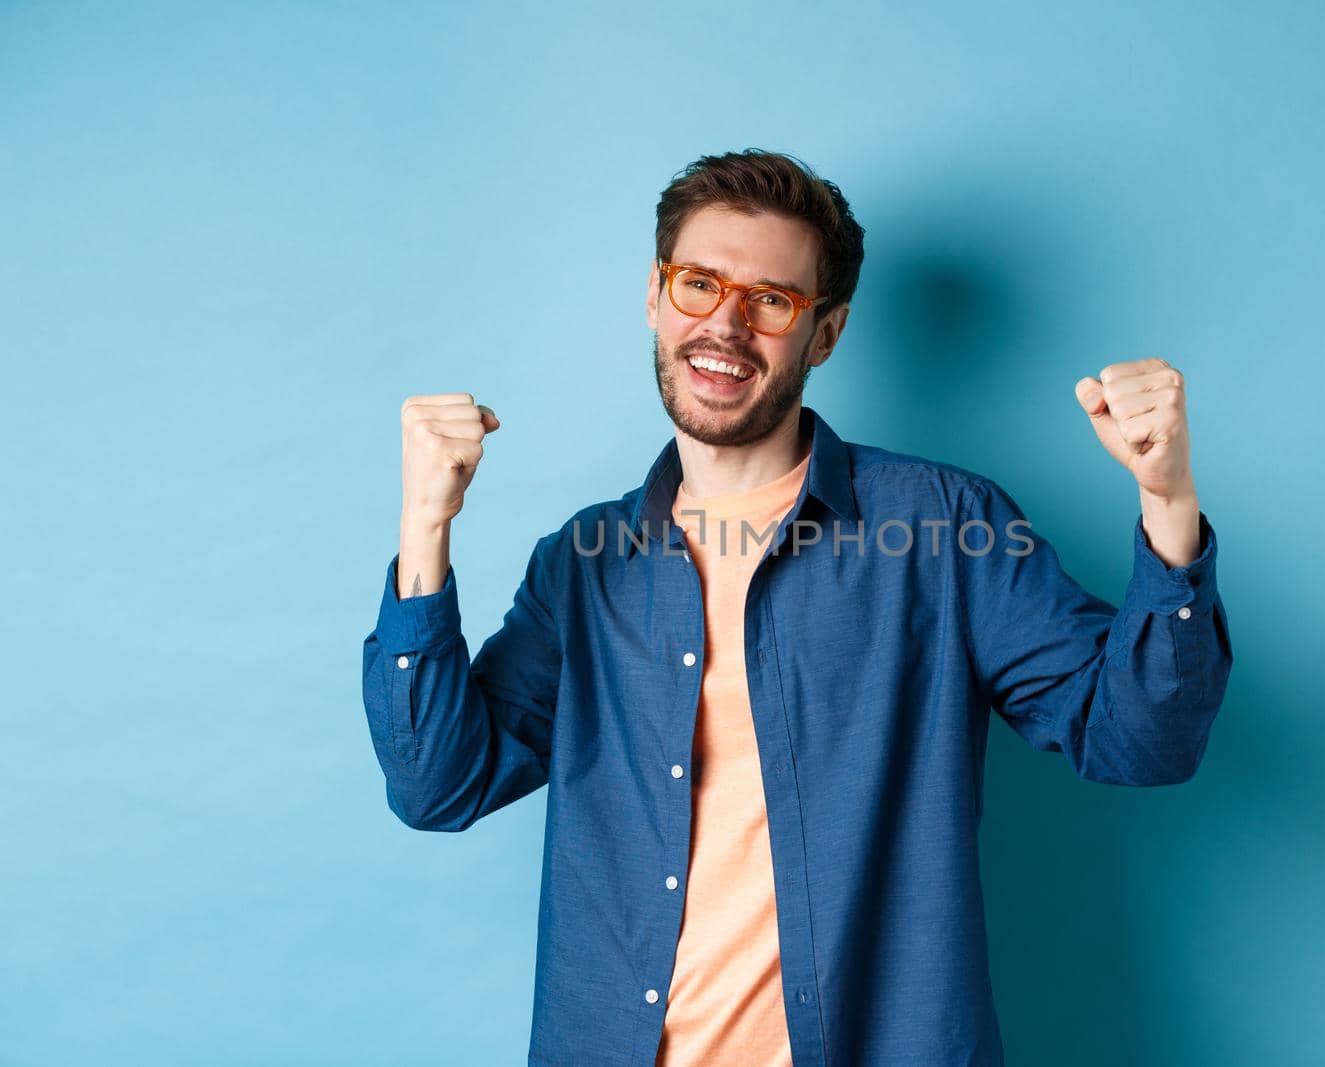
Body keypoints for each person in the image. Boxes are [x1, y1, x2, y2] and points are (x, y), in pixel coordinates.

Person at [361, 148, 1233, 1067]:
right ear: (655, 298)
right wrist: (426, 526)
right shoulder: (583, 565)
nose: (726, 326)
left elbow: (1140, 741)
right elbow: (438, 784)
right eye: (699, 283)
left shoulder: (946, 529)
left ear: (825, 333)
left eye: (772, 300)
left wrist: (1167, 502)